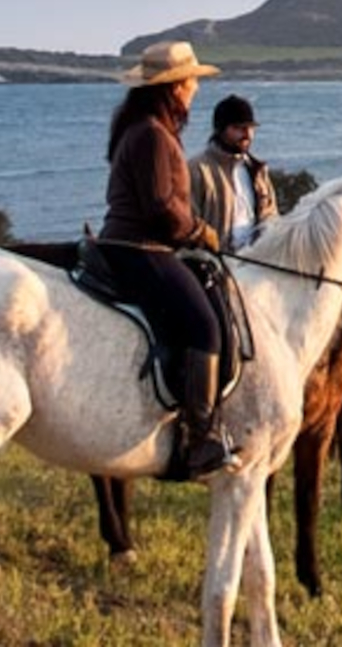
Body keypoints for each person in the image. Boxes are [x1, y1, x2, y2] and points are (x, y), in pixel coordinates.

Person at [100, 40, 236, 480]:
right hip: (140, 248)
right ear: (175, 87)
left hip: (132, 244)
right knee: (206, 327)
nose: (196, 87)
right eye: (192, 79)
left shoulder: (143, 127)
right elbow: (161, 208)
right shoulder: (153, 135)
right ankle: (201, 438)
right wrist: (200, 231)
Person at [189, 94, 278, 253]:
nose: (247, 134)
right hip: (214, 263)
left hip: (257, 262)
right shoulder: (197, 169)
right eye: (238, 128)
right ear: (220, 130)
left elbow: (271, 215)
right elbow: (188, 222)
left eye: (250, 128)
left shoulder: (258, 170)